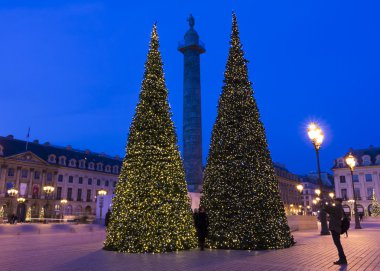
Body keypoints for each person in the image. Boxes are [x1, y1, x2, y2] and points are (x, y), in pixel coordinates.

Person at [324, 198, 347, 265]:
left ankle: (342, 259)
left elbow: (325, 208)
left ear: (337, 201)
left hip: (335, 228)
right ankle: (342, 259)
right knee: (338, 244)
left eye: (335, 201)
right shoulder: (339, 208)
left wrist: (326, 202)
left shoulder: (336, 208)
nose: (334, 202)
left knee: (338, 244)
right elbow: (328, 210)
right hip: (337, 228)